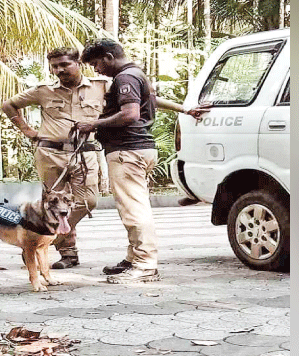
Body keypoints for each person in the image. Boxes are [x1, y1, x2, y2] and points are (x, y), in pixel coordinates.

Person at [75, 38, 207, 284]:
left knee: (134, 210)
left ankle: (145, 266)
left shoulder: (125, 78)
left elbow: (131, 113)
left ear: (109, 58)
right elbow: (151, 101)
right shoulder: (136, 75)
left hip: (128, 151)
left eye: (96, 64)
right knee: (133, 206)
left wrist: (93, 124)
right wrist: (185, 109)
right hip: (138, 150)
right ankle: (133, 257)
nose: (96, 70)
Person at [1, 47, 105, 269]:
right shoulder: (43, 90)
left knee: (88, 201)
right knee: (54, 205)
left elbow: (139, 97)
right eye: (55, 66)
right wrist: (28, 131)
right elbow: (8, 105)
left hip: (84, 154)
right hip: (50, 154)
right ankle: (68, 254)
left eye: (64, 65)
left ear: (78, 63)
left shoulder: (101, 86)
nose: (59, 70)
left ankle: (41, 242)